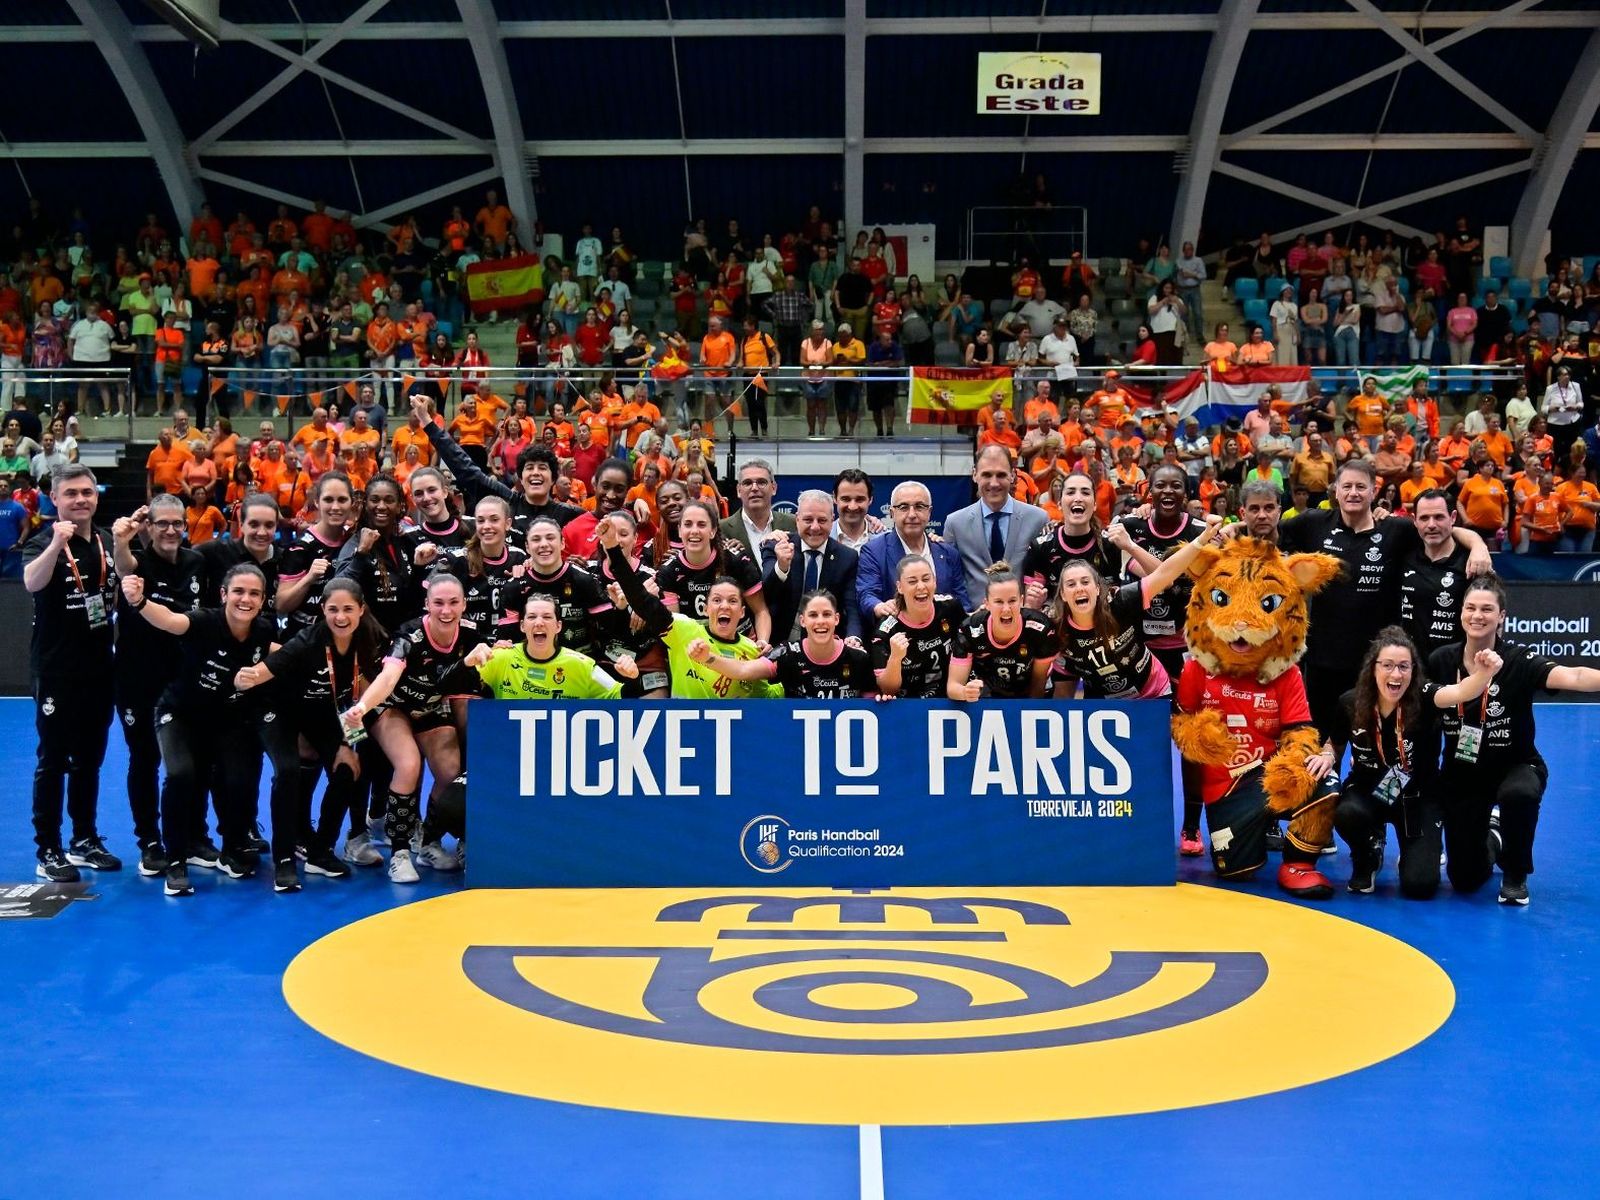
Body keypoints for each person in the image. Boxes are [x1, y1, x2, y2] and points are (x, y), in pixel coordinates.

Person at [1428, 576, 1600, 905]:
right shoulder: (1441, 660)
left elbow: (1574, 675)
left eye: (1487, 609)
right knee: (1464, 879)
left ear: (1502, 616)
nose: (1477, 616)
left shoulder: (1519, 660)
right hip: (1463, 773)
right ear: (1461, 612)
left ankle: (1515, 873)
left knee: (1519, 793)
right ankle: (1494, 836)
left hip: (1515, 765)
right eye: (1470, 608)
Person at [119, 563, 280, 895]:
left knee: (240, 778)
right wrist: (139, 602)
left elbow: (286, 655)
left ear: (263, 600)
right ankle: (176, 861)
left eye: (254, 594)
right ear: (223, 594)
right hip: (180, 715)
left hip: (225, 718)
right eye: (238, 591)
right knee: (180, 775)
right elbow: (169, 620)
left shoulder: (264, 630)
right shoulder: (205, 621)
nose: (245, 599)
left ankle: (232, 849)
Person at [232, 577, 392, 877]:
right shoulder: (307, 642)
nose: (340, 617)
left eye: (348, 609)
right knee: (289, 771)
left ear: (361, 609)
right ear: (323, 610)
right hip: (281, 711)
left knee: (349, 768)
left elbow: (361, 695)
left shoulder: (370, 639)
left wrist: (346, 743)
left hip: (324, 712)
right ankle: (284, 856)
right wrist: (245, 677)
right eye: (333, 609)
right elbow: (263, 672)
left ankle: (321, 851)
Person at [341, 573, 491, 883]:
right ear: (427, 604)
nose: (446, 610)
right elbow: (387, 679)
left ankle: (429, 842)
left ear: (464, 605)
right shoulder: (408, 636)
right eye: (438, 603)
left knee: (450, 770)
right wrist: (362, 707)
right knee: (408, 764)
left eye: (453, 603)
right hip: (392, 706)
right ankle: (399, 853)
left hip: (429, 707)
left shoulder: (472, 636)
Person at [1332, 628, 1502, 899]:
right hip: (1369, 790)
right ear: (1373, 667)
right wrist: (1325, 755)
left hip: (1418, 796)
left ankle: (1492, 832)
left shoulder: (1424, 696)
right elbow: (1335, 742)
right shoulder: (1350, 702)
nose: (1396, 674)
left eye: (1404, 666)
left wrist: (1483, 674)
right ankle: (1367, 856)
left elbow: (1460, 691)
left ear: (1413, 670)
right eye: (1387, 665)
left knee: (1420, 886)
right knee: (1347, 813)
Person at [23, 465, 120, 882]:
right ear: (55, 498)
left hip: (99, 668)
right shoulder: (44, 539)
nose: (80, 499)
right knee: (53, 760)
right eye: (71, 493)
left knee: (89, 760)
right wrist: (55, 544)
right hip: (56, 670)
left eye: (87, 492)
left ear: (96, 496)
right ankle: (48, 848)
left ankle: (84, 839)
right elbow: (31, 582)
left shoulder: (104, 541)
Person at [109, 497, 205, 877]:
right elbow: (123, 565)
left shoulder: (196, 562)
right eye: (162, 523)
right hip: (138, 680)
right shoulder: (137, 562)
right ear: (148, 527)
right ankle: (149, 841)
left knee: (191, 761)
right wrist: (121, 540)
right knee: (145, 758)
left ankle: (193, 836)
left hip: (184, 681)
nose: (170, 530)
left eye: (177, 523)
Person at [595, 519, 780, 700]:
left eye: (732, 601)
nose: (724, 606)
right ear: (706, 609)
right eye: (716, 600)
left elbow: (770, 696)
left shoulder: (752, 651)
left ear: (742, 612)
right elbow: (641, 600)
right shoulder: (684, 631)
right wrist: (612, 548)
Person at [1052, 516, 1223, 702]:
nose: (1079, 588)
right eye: (1071, 584)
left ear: (1098, 589)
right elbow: (1062, 693)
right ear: (1062, 595)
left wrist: (1202, 538)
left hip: (1152, 692)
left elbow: (1166, 573)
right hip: (1102, 700)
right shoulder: (1058, 631)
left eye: (1085, 582)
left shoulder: (1121, 601)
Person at [944, 445, 1051, 605]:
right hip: (973, 617)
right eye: (986, 475)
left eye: (1001, 475)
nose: (994, 483)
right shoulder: (955, 523)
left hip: (1022, 615)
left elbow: (1048, 576)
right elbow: (950, 579)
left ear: (1013, 475)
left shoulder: (1038, 519)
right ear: (974, 474)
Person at [658, 500, 771, 644]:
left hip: (740, 645)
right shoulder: (668, 571)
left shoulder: (736, 560)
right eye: (688, 524)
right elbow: (674, 628)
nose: (694, 531)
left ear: (713, 531)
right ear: (679, 530)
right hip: (695, 647)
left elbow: (761, 611)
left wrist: (762, 642)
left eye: (701, 524)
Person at [476, 593, 626, 700]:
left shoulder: (583, 666)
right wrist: (470, 660)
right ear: (522, 626)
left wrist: (632, 677)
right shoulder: (500, 658)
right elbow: (464, 685)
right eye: (532, 617)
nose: (539, 623)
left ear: (558, 626)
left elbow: (619, 695)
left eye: (547, 617)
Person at [856, 481, 969, 622]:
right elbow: (866, 593)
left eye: (919, 506)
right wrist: (879, 606)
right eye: (903, 507)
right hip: (897, 631)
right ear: (892, 513)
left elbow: (962, 602)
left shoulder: (948, 553)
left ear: (929, 512)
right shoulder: (873, 551)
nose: (912, 514)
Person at [759, 490, 861, 642]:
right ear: (797, 519)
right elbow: (765, 596)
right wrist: (781, 567)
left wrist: (853, 637)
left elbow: (851, 606)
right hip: (781, 643)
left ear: (832, 520)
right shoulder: (776, 546)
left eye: (822, 520)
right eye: (808, 520)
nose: (815, 527)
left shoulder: (847, 557)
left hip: (828, 643)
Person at [947, 562, 1056, 700]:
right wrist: (965, 692)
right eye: (998, 602)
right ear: (987, 604)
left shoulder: (1040, 628)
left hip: (1030, 691)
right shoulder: (970, 629)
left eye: (1012, 601)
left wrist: (1029, 710)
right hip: (988, 693)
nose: (1006, 609)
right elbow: (953, 687)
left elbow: (1038, 685)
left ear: (1021, 601)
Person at [872, 557, 967, 699]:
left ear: (935, 581)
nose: (921, 586)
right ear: (900, 587)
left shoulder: (951, 607)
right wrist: (895, 658)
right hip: (909, 704)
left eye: (926, 579)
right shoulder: (885, 630)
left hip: (950, 700)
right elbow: (887, 689)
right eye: (912, 581)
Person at [1398, 489, 1473, 660]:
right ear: (1414, 520)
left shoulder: (1471, 563)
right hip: (1411, 667)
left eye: (1439, 517)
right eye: (1424, 518)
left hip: (1454, 667)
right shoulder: (1403, 555)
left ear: (1453, 517)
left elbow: (1489, 621)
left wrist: (1479, 545)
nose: (1431, 525)